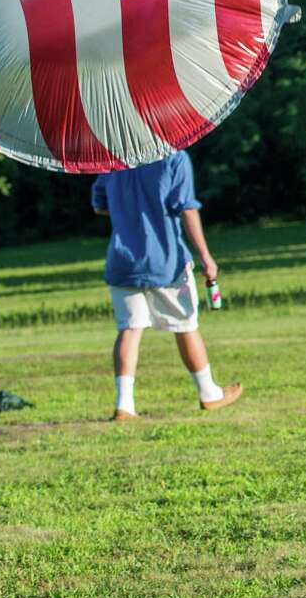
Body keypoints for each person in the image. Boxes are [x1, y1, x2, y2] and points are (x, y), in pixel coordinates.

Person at [91, 150, 242, 421]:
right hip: (166, 259)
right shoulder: (174, 158)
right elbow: (186, 208)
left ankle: (124, 405)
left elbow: (99, 206)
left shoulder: (112, 159)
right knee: (186, 325)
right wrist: (206, 255)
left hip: (123, 260)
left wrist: (130, 207)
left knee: (130, 328)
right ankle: (209, 393)